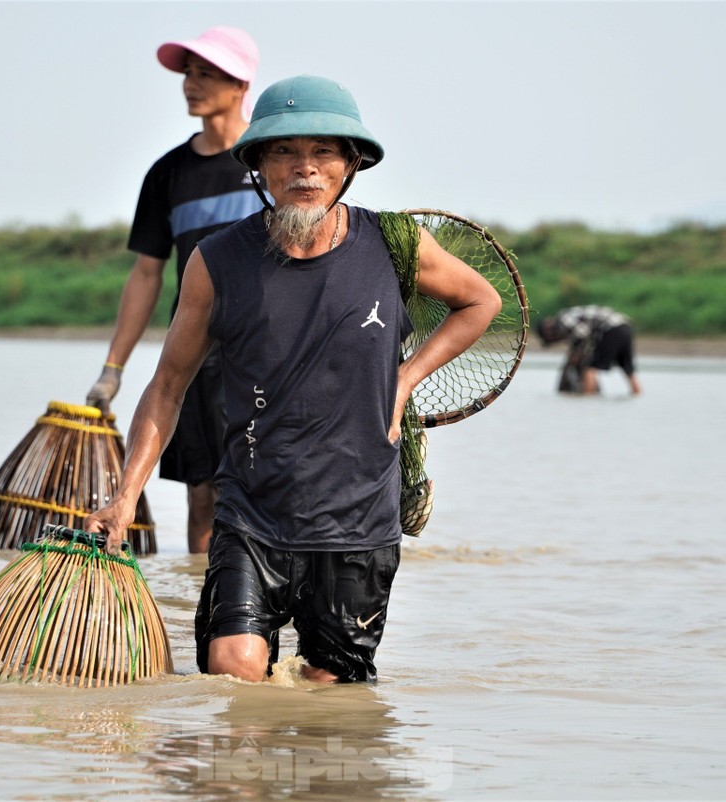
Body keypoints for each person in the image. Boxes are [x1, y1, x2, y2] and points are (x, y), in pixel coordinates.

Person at [85, 75, 501, 684]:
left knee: (328, 693)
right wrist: (124, 501)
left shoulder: (395, 244)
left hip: (358, 519)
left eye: (322, 152)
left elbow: (480, 303)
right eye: (283, 151)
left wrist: (407, 378)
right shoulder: (217, 260)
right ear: (258, 164)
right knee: (233, 672)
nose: (303, 168)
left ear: (351, 164)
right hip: (252, 512)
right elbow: (168, 384)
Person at [84, 26, 261, 554]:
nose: (190, 83)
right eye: (188, 72)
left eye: (206, 73)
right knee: (203, 498)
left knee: (267, 489)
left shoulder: (270, 161)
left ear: (240, 83)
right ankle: (199, 612)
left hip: (266, 354)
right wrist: (111, 370)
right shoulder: (168, 174)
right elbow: (146, 274)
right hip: (198, 355)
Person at [537, 305, 642, 395]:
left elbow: (584, 333)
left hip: (611, 329)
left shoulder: (564, 320)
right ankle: (637, 394)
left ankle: (588, 398)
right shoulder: (567, 318)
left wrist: (578, 353)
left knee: (590, 368)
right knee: (628, 369)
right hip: (625, 327)